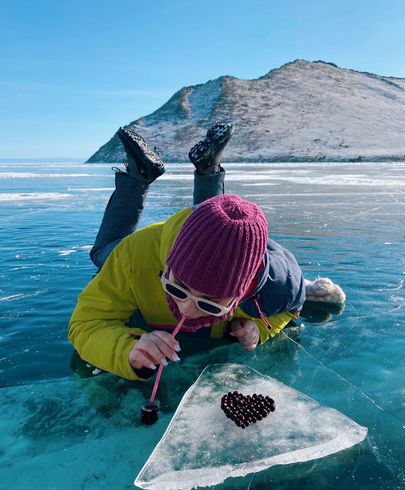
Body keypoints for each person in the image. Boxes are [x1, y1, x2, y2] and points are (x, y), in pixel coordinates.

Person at [68, 123, 345, 381]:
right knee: (104, 252)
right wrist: (125, 349)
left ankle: (146, 175)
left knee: (212, 226)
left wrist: (259, 330)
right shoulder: (133, 258)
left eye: (211, 304)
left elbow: (289, 309)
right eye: (177, 288)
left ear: (244, 292)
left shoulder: (280, 284)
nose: (186, 310)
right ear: (166, 265)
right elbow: (87, 323)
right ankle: (187, 173)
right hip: (141, 250)